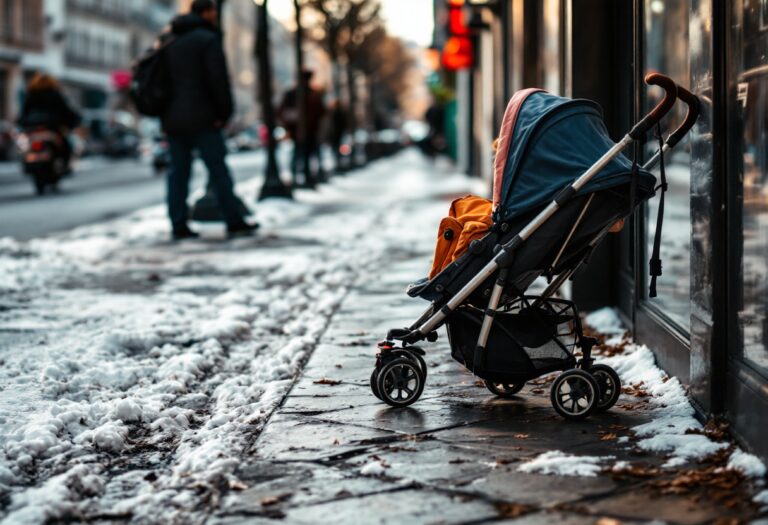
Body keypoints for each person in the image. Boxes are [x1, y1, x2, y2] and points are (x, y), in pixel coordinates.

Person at [162, 0, 256, 240]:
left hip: (173, 118)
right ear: (206, 13)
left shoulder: (170, 40)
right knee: (218, 170)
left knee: (178, 173)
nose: (215, 14)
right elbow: (218, 80)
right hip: (204, 118)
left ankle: (178, 224)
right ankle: (233, 220)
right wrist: (224, 114)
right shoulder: (208, 39)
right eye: (213, 10)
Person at [17, 72, 81, 169]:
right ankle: (64, 165)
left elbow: (24, 112)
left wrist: (21, 123)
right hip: (52, 126)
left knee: (24, 145)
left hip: (32, 127)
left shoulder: (30, 95)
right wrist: (73, 121)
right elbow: (65, 111)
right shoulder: (55, 94)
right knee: (65, 145)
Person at [277, 70, 326, 186]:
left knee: (305, 155)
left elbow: (321, 112)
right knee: (302, 154)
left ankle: (305, 177)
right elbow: (282, 112)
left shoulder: (311, 94)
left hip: (308, 131)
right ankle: (301, 177)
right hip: (300, 131)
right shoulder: (295, 94)